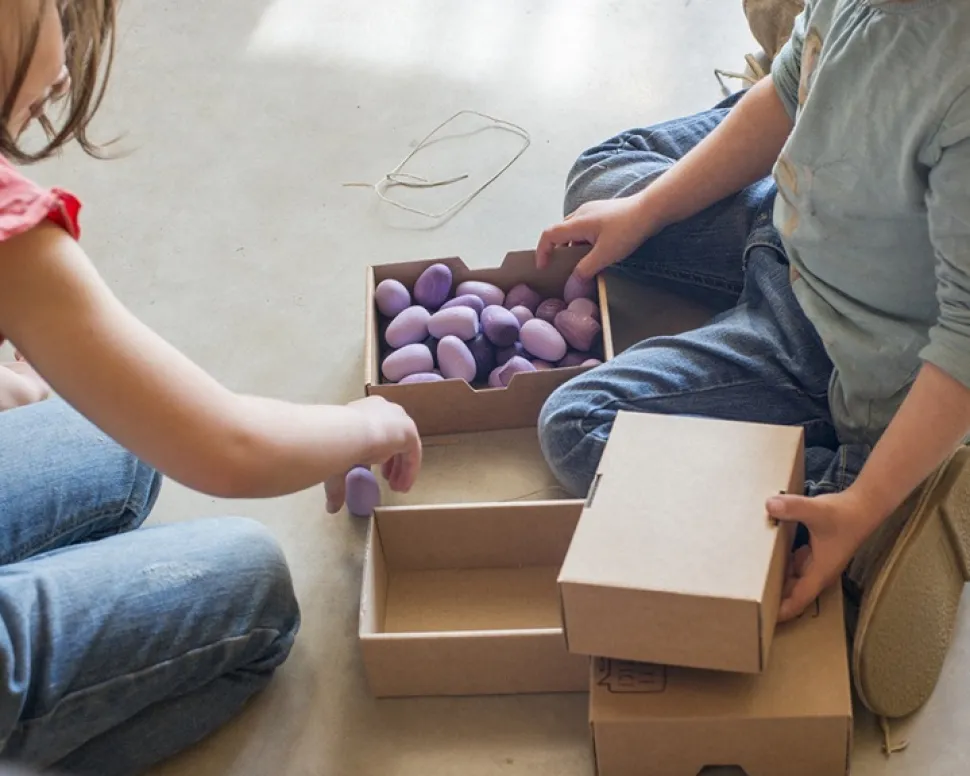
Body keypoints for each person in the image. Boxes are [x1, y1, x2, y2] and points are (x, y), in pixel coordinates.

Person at [0, 2, 421, 774]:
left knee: (116, 438)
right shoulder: (11, 242)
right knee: (251, 591)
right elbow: (230, 448)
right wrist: (370, 423)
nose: (63, 65)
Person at [537, 0, 970, 721]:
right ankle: (887, 477)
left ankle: (878, 488)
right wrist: (646, 210)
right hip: (788, 222)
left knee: (576, 424)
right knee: (605, 179)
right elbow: (791, 89)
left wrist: (858, 508)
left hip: (837, 346)